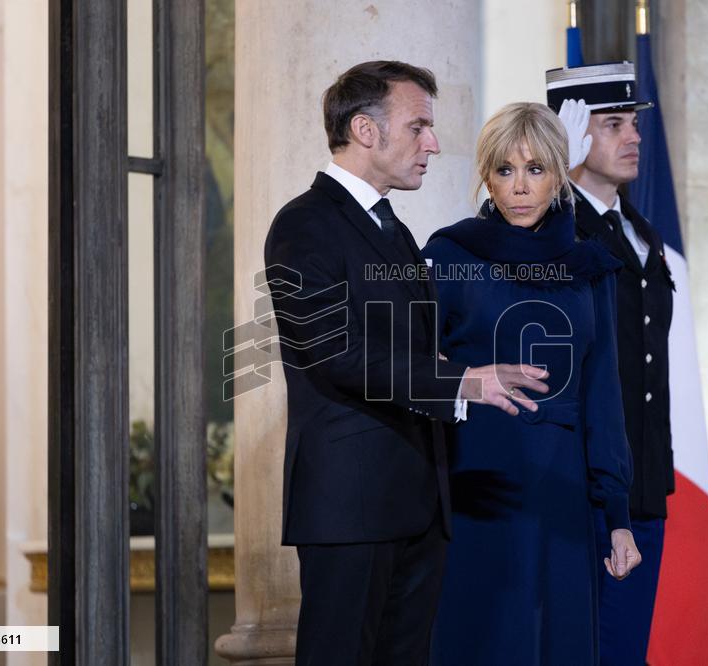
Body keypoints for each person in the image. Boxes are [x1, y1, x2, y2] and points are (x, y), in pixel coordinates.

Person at [263, 61, 550, 666]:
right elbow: (336, 353)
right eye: (418, 126)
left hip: (416, 503)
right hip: (350, 509)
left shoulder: (392, 228)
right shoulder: (304, 223)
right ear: (365, 131)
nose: (433, 144)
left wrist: (456, 368)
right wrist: (462, 381)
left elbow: (406, 348)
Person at [423, 101, 640, 666]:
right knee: (481, 642)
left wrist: (616, 517)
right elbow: (410, 371)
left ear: (560, 173)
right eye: (505, 170)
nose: (519, 187)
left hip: (564, 494)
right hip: (475, 486)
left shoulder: (592, 267)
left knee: (559, 643)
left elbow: (603, 396)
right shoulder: (449, 255)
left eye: (536, 169)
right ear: (486, 176)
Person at [547, 61, 676, 665]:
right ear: (573, 132)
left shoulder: (641, 231)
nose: (634, 137)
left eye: (635, 124)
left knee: (626, 650)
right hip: (580, 481)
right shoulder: (554, 228)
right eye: (613, 124)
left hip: (641, 475)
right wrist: (552, 174)